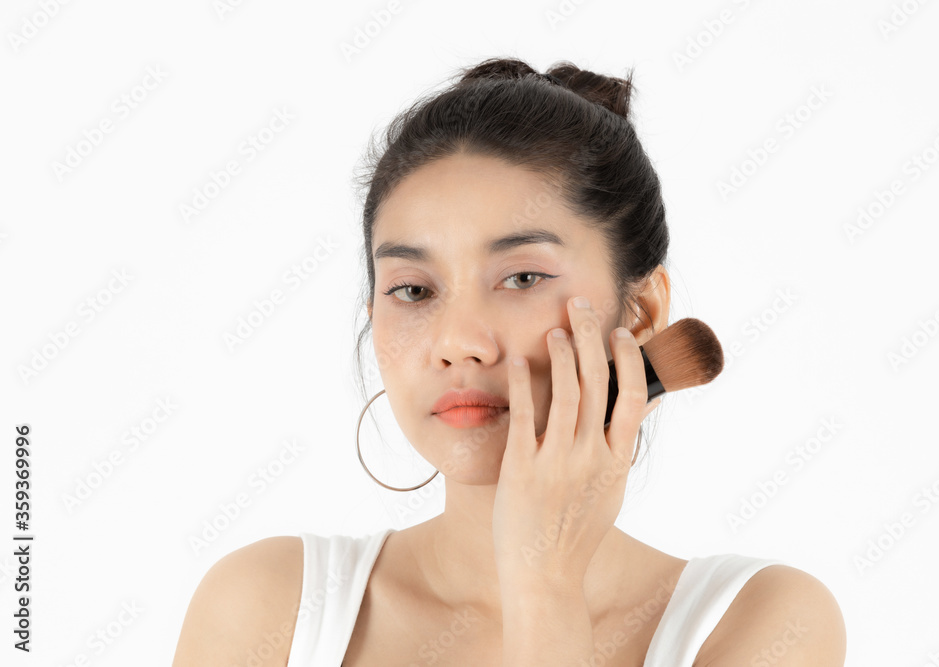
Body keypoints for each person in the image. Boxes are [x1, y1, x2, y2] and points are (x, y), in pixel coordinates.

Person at [172, 57, 846, 666]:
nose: (457, 341)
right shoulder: (268, 610)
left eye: (522, 277)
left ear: (640, 313)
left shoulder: (760, 622)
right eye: (413, 290)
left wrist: (543, 582)